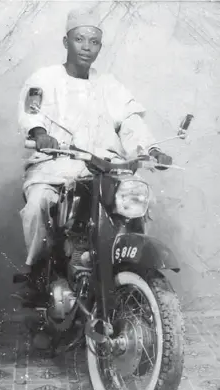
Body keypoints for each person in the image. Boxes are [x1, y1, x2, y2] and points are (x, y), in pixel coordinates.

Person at [14, 6, 172, 303]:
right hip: (54, 165)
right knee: (37, 204)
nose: (87, 47)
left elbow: (130, 121)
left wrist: (151, 148)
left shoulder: (108, 85)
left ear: (101, 45)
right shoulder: (45, 78)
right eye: (79, 39)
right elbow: (30, 111)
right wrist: (39, 133)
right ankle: (37, 269)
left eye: (94, 41)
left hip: (102, 168)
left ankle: (129, 278)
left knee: (134, 201)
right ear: (66, 42)